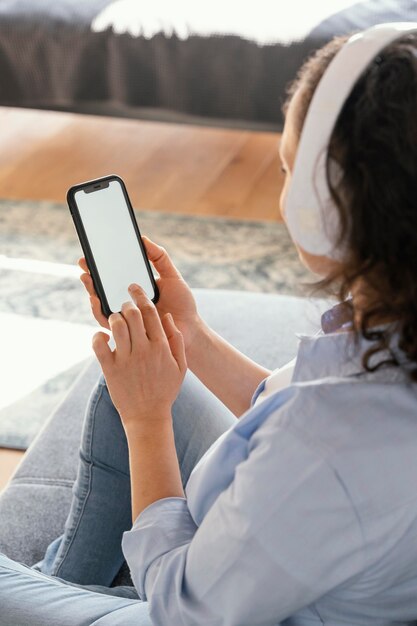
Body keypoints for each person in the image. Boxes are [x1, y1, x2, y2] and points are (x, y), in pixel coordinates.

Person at [1, 22, 417, 625]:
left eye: (285, 171)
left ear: (325, 210)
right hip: (292, 542)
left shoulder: (328, 447)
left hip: (192, 611)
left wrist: (146, 422)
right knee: (148, 359)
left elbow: (180, 607)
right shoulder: (389, 327)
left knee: (141, 394)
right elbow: (288, 404)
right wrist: (190, 335)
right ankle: (64, 587)